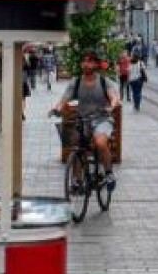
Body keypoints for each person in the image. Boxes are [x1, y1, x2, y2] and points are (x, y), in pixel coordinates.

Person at [52, 51, 122, 191]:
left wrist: (113, 105)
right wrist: (58, 108)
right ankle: (78, 180)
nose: (86, 64)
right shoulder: (76, 82)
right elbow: (64, 98)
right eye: (84, 61)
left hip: (102, 119)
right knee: (77, 146)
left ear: (96, 64)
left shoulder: (104, 82)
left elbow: (113, 96)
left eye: (90, 61)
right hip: (83, 120)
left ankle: (109, 173)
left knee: (100, 142)